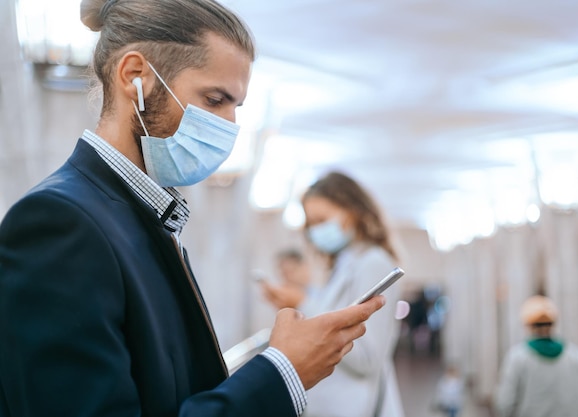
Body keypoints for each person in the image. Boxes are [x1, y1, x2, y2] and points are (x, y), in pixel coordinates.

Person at [0, 1, 386, 416]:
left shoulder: (141, 218)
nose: (230, 126)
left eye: (237, 107)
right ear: (135, 77)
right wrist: (282, 372)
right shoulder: (61, 224)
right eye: (216, 99)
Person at [262, 171, 406, 417]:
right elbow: (335, 310)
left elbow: (367, 359)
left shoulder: (373, 263)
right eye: (311, 224)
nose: (317, 231)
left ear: (351, 212)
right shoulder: (345, 263)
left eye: (322, 220)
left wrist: (302, 301)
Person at [494, 295, 578, 417]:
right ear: (554, 323)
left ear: (527, 324)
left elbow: (504, 404)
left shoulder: (517, 358)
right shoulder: (576, 356)